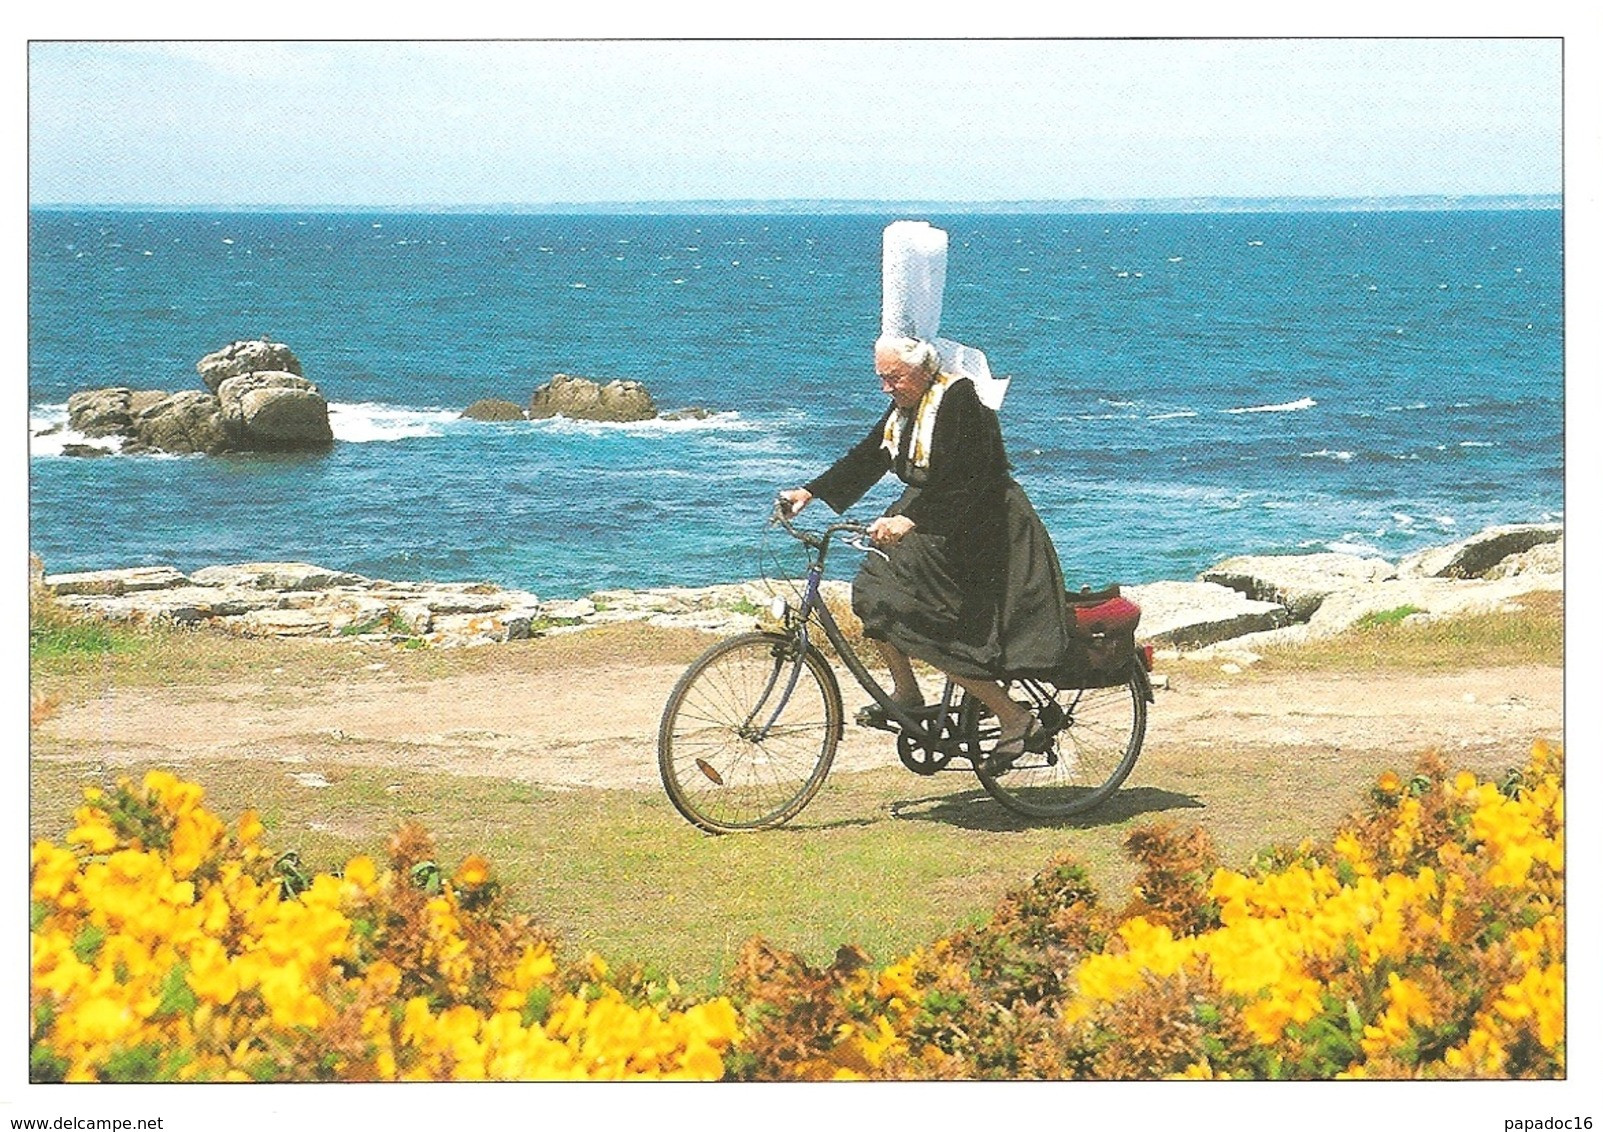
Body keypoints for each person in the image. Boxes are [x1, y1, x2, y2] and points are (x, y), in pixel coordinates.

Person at [779, 335, 1075, 766]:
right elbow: (870, 455)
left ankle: (1014, 719)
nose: (886, 387)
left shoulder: (960, 399)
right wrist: (810, 492)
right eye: (881, 378)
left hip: (980, 522)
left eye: (894, 377)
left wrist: (909, 520)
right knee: (873, 592)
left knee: (932, 625)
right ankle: (908, 693)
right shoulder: (907, 404)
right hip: (931, 516)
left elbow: (973, 476)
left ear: (923, 369)